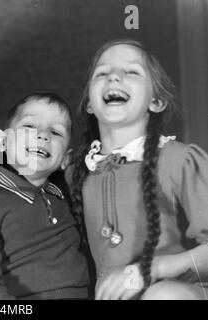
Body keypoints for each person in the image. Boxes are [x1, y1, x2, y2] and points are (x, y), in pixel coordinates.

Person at [70, 39, 208, 300]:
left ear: (156, 102)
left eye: (132, 71)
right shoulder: (77, 172)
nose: (113, 77)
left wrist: (155, 268)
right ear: (89, 103)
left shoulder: (179, 160)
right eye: (102, 72)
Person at [0, 93, 90, 299]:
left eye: (56, 132)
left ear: (66, 159)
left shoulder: (66, 198)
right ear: (1, 141)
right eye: (29, 126)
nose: (43, 135)